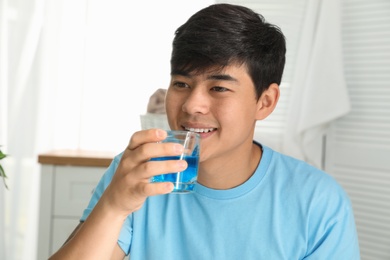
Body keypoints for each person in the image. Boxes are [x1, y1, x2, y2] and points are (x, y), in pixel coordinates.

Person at [49, 3, 360, 260]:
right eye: (182, 84)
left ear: (265, 102)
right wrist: (114, 206)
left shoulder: (317, 201)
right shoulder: (137, 173)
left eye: (219, 87)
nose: (192, 105)